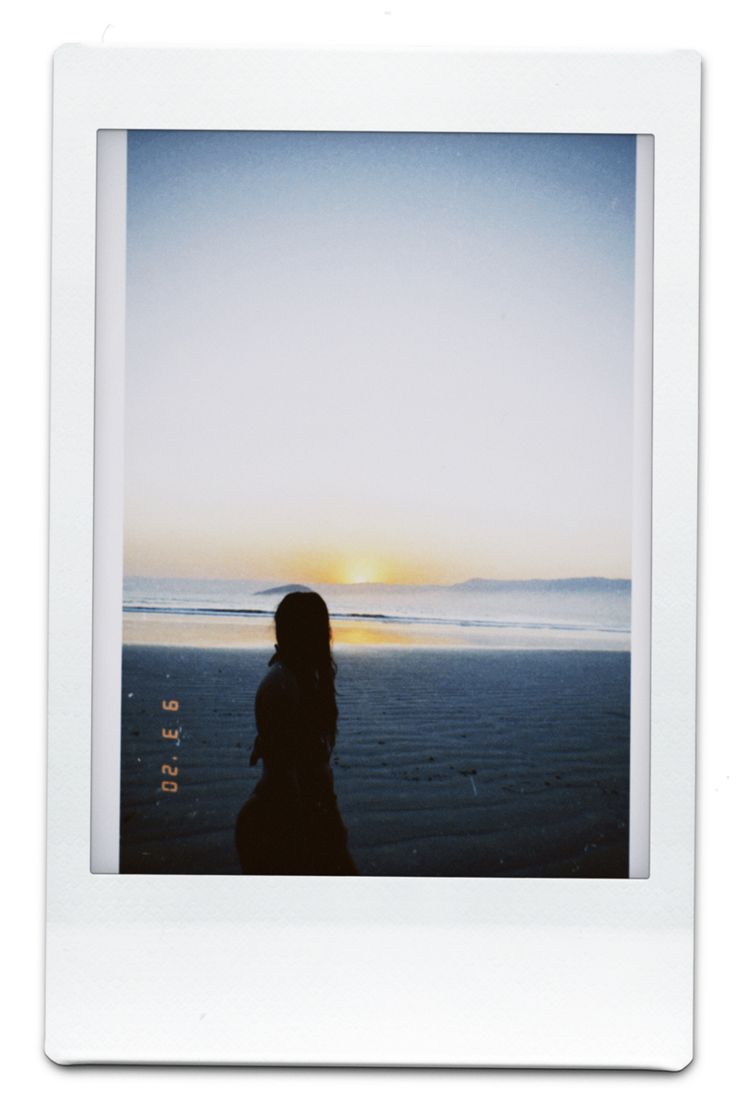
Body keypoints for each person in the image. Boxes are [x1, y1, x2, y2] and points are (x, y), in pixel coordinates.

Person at [235, 590, 357, 875]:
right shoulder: (282, 685)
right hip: (281, 827)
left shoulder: (302, 679)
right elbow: (287, 780)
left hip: (303, 819)